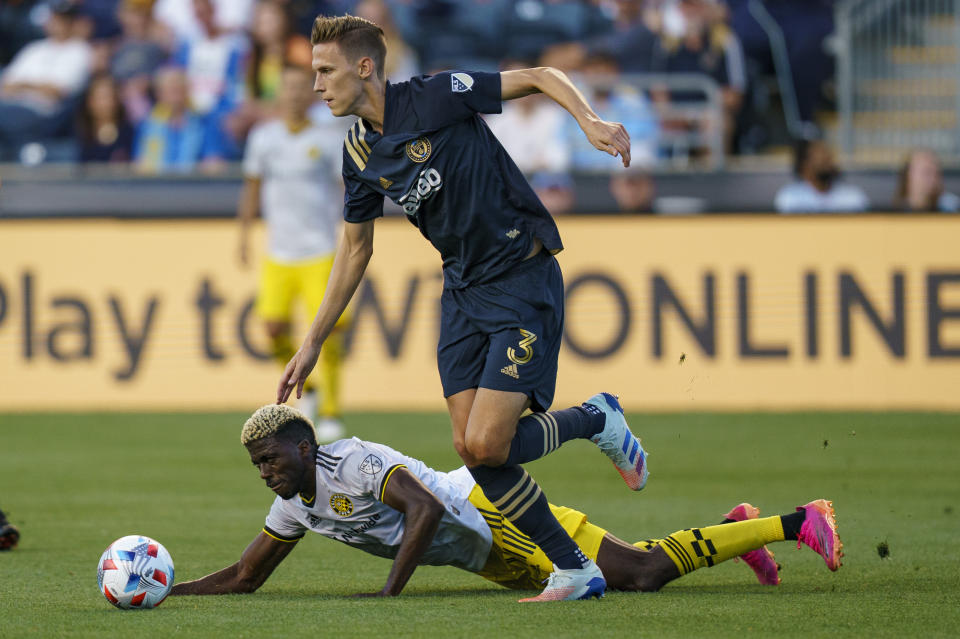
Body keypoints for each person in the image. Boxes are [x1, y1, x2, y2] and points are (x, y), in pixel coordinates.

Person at [277, 13, 645, 603]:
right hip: (461, 291)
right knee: (471, 450)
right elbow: (355, 248)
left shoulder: (435, 95)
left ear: (364, 66)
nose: (317, 84)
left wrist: (590, 121)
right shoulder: (357, 152)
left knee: (491, 445)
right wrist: (314, 341)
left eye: (325, 70)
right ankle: (576, 569)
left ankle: (595, 420)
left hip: (521, 275)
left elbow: (541, 75)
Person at [169, 405, 844, 600]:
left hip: (493, 513)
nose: (264, 473)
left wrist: (389, 592)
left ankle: (796, 520)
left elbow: (426, 508)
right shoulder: (296, 502)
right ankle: (738, 531)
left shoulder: (353, 459)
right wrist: (169, 590)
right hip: (487, 558)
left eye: (270, 460)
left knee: (641, 574)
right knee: (634, 567)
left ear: (305, 449)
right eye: (257, 464)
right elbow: (245, 575)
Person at [239, 64, 350, 441]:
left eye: (302, 88)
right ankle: (312, 388)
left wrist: (351, 234)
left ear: (312, 93)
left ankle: (332, 410)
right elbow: (252, 186)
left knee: (330, 330)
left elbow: (345, 188)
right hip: (279, 251)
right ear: (280, 93)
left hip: (319, 249)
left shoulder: (329, 138)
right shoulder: (264, 137)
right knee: (272, 328)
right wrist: (243, 233)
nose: (295, 95)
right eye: (288, 88)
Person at [0, 0, 93, 159]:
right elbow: (5, 86)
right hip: (9, 107)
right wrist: (33, 86)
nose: (58, 23)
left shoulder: (80, 51)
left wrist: (22, 85)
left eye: (64, 19)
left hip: (43, 113)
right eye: (55, 18)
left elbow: (57, 92)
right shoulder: (34, 49)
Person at [133, 66, 225, 173]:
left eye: (179, 90)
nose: (175, 96)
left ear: (187, 91)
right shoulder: (148, 125)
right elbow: (140, 163)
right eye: (170, 90)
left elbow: (213, 160)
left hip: (195, 185)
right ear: (159, 94)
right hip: (157, 185)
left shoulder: (204, 123)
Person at [775, 138, 869, 214]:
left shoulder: (852, 197)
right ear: (804, 165)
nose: (827, 161)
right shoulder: (790, 197)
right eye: (820, 157)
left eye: (828, 158)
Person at [75, 73, 135, 163]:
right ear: (89, 102)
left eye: (108, 97)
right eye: (100, 98)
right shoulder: (80, 133)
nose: (105, 104)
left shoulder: (128, 132)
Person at [894, 149, 960, 213]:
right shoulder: (892, 213)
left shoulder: (950, 208)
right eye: (926, 172)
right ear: (908, 175)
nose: (933, 179)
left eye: (936, 173)